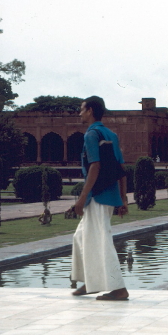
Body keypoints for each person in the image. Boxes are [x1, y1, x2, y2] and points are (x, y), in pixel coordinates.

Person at [71, 95, 129, 300]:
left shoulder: (91, 135)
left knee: (101, 241)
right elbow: (121, 169)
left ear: (90, 110)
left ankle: (119, 288)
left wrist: (81, 199)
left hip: (98, 195)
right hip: (109, 195)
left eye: (81, 109)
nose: (79, 113)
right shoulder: (110, 134)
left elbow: (95, 166)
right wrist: (123, 199)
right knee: (80, 237)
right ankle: (92, 281)